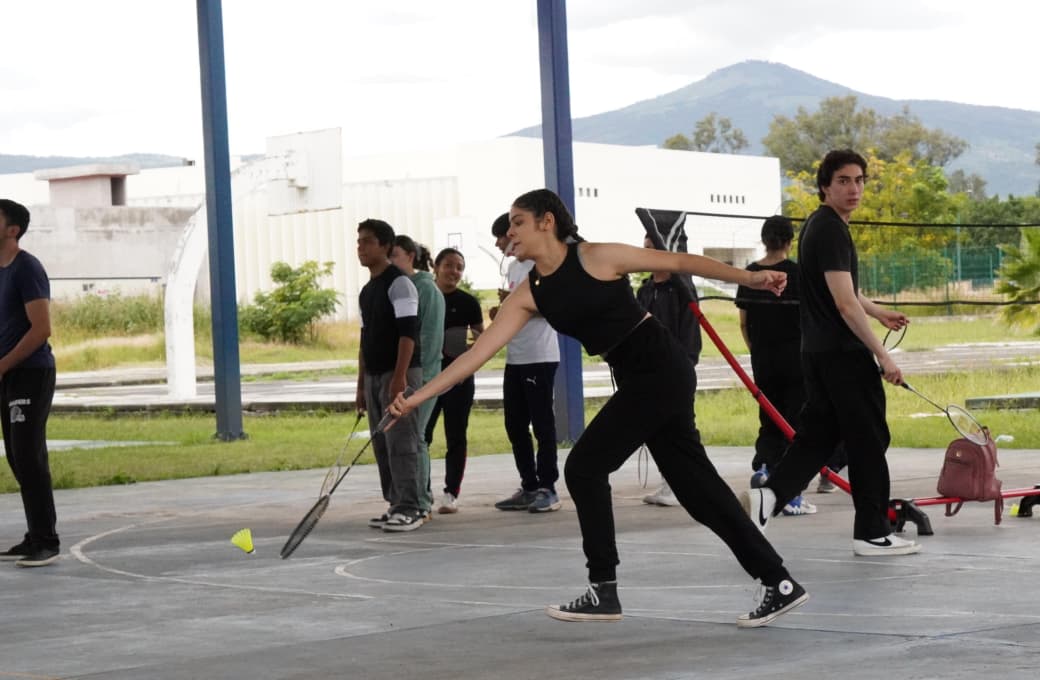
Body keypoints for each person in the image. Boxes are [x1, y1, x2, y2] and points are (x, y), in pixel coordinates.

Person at [390, 188, 807, 628]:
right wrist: (417, 396)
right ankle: (778, 582)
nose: (508, 232)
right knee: (698, 493)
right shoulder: (530, 293)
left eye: (517, 222)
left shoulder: (596, 256)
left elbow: (681, 263)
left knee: (585, 468)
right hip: (640, 377)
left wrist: (752, 279)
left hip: (660, 368)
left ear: (546, 222)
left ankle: (603, 590)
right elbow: (476, 356)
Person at [740, 150, 917, 557]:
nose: (853, 188)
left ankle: (771, 497)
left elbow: (846, 291)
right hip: (843, 355)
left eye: (859, 180)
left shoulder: (819, 227)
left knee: (818, 437)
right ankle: (872, 533)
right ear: (825, 186)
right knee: (869, 439)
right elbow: (843, 304)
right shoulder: (832, 230)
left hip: (815, 354)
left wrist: (879, 311)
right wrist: (882, 356)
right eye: (843, 180)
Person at [736, 216, 823, 517]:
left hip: (762, 358)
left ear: (764, 240)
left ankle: (763, 465)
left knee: (768, 416)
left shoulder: (750, 274)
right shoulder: (799, 274)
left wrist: (756, 350)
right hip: (796, 358)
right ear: (789, 241)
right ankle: (789, 492)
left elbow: (744, 323)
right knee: (795, 422)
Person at [487, 213, 561, 513]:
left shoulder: (539, 264)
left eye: (502, 236)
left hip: (539, 356)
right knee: (514, 424)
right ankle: (528, 485)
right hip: (515, 356)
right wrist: (504, 310)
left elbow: (552, 307)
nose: (499, 243)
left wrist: (517, 304)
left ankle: (548, 487)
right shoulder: (515, 267)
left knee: (542, 424)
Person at [0, 198, 60, 568]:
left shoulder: (27, 268)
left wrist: (3, 364)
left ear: (12, 230)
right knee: (16, 457)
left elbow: (42, 329)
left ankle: (47, 541)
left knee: (28, 455)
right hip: (9, 373)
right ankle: (34, 534)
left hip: (31, 373)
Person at [356, 219, 424, 532]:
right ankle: (394, 502)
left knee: (402, 441)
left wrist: (400, 379)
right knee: (381, 442)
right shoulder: (367, 291)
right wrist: (361, 385)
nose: (361, 247)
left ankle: (411, 507)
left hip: (399, 373)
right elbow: (364, 338)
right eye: (359, 242)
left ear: (385, 246)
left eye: (368, 241)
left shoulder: (399, 284)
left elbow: (408, 333)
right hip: (374, 374)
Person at [635, 237, 701, 507]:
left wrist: (685, 362)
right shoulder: (646, 291)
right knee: (656, 427)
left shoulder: (681, 289)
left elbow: (690, 331)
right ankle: (671, 482)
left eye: (650, 246)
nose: (644, 251)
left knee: (682, 427)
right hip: (650, 369)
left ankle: (686, 483)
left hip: (677, 368)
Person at [425, 248, 484, 514]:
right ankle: (421, 491)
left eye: (459, 267)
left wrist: (467, 360)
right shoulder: (424, 297)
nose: (454, 271)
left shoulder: (469, 303)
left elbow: (480, 341)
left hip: (459, 381)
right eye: (449, 265)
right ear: (435, 267)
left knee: (456, 436)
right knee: (421, 437)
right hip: (427, 380)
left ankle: (451, 493)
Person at [390, 235, 445, 522]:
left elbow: (430, 339)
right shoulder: (398, 287)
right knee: (406, 437)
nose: (390, 262)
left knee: (416, 437)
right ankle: (406, 498)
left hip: (423, 374)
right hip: (410, 373)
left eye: (394, 255)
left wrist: (420, 379)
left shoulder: (426, 289)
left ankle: (420, 502)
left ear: (410, 256)